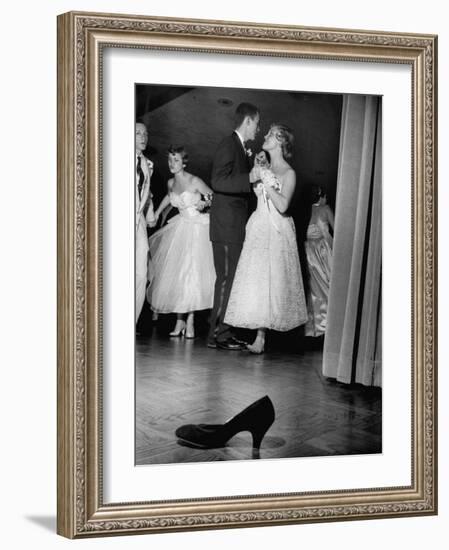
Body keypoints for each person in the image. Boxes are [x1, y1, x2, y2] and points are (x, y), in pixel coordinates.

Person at [224, 124, 308, 354]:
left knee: (273, 281)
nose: (265, 136)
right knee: (257, 280)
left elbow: (282, 205)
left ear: (280, 142)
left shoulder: (289, 173)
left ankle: (263, 337)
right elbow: (256, 192)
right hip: (259, 224)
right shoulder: (264, 166)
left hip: (277, 229)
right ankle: (259, 337)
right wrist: (259, 172)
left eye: (271, 135)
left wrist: (267, 181)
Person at [146, 146, 215, 339]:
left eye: (175, 160)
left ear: (184, 162)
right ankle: (180, 319)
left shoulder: (194, 181)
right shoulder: (170, 182)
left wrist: (204, 202)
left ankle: (190, 319)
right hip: (180, 227)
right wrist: (158, 213)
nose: (171, 164)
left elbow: (213, 197)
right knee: (177, 273)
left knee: (191, 273)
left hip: (197, 228)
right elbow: (169, 198)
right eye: (169, 160)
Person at [207, 102, 260, 350]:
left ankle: (225, 332)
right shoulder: (228, 144)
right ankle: (216, 334)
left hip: (234, 226)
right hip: (226, 226)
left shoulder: (240, 147)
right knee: (226, 279)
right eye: (256, 124)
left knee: (230, 280)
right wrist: (248, 177)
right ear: (248, 121)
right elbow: (218, 180)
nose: (257, 130)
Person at [304, 186, 334, 337]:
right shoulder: (326, 208)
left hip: (309, 251)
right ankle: (327, 328)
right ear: (322, 197)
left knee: (313, 291)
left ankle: (313, 329)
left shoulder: (307, 209)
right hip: (322, 251)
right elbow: (336, 227)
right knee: (327, 288)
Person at [135, 121, 156, 323]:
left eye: (145, 134)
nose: (143, 137)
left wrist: (150, 217)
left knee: (141, 272)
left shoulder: (148, 164)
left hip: (139, 221)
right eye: (138, 133)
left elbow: (146, 195)